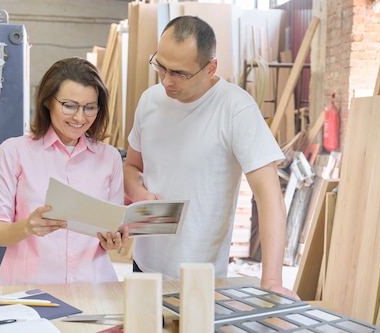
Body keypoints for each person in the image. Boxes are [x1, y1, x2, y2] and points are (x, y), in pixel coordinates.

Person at [123, 16, 297, 297]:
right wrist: (138, 193)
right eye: (161, 67)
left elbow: (269, 197)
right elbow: (131, 166)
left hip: (201, 276)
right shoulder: (150, 100)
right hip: (144, 266)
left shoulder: (235, 109)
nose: (167, 81)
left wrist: (272, 279)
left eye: (179, 73)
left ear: (210, 67)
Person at [0, 57, 128, 285]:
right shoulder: (13, 153)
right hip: (27, 290)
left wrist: (113, 240)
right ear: (48, 101)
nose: (80, 118)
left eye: (90, 107)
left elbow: (110, 229)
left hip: (94, 287)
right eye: (69, 106)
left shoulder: (109, 158)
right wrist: (27, 226)